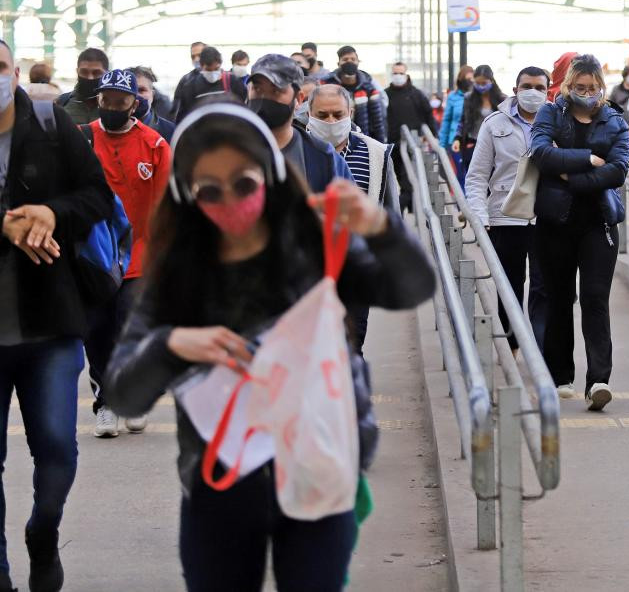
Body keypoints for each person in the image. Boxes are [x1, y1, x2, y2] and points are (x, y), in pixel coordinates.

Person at [103, 104, 435, 592]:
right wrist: (172, 344)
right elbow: (122, 394)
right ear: (187, 195)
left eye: (244, 182)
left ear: (271, 175)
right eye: (209, 190)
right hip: (220, 484)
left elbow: (410, 289)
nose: (229, 200)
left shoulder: (314, 245)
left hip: (318, 471)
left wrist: (382, 229)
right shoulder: (178, 275)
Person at [0, 39, 115, 592]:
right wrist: (4, 222)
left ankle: (42, 535)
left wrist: (50, 211)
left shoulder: (50, 125)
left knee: (56, 449)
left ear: (14, 72)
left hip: (51, 323)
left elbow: (96, 195)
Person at [531, 54, 629, 411]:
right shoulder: (550, 113)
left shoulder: (614, 119)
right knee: (559, 299)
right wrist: (589, 160)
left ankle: (598, 380)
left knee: (594, 298)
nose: (587, 93)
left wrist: (568, 172)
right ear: (568, 86)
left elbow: (618, 170)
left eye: (593, 87)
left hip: (598, 222)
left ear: (601, 87)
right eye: (579, 87)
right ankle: (561, 376)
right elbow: (540, 153)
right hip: (555, 222)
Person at [83, 68, 172, 438]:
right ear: (98, 101)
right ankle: (105, 404)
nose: (113, 107)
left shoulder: (154, 145)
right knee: (99, 331)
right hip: (95, 256)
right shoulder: (82, 140)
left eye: (121, 102)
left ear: (135, 103)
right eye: (107, 101)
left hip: (140, 255)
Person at [306, 83, 400, 355]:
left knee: (352, 340)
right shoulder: (295, 151)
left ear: (351, 112)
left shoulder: (377, 154)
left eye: (338, 114)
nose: (331, 122)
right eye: (322, 116)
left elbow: (388, 208)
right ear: (309, 114)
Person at [465, 67, 550, 351]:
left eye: (540, 87)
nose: (533, 92)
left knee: (544, 288)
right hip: (505, 216)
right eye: (527, 86)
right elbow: (477, 175)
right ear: (515, 90)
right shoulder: (494, 124)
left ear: (548, 90)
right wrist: (480, 215)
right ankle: (512, 347)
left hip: (547, 217)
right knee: (509, 287)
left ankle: (542, 351)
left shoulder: (559, 122)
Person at [246, 54, 352, 193]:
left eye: (276, 91)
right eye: (258, 89)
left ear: (299, 98)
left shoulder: (323, 156)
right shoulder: (231, 150)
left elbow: (346, 210)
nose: (265, 98)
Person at [385, 60, 437, 212]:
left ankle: (398, 209)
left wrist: (431, 135)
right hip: (393, 144)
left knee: (409, 180)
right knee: (401, 179)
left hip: (414, 144)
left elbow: (429, 115)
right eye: (395, 73)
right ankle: (412, 207)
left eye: (401, 73)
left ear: (406, 74)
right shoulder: (385, 95)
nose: (398, 76)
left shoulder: (417, 94)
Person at [320, 46, 387, 143]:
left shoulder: (369, 87)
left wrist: (380, 144)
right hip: (333, 139)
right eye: (345, 59)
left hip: (364, 138)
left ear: (358, 62)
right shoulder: (327, 84)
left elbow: (378, 120)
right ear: (339, 63)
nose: (349, 62)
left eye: (353, 59)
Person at [172, 45, 247, 123]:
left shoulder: (233, 82)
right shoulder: (190, 87)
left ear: (220, 64)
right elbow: (183, 118)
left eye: (216, 69)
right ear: (201, 66)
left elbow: (243, 108)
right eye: (208, 69)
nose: (213, 73)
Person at [453, 65, 505, 171]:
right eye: (477, 83)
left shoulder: (502, 99)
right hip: (473, 144)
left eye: (484, 83)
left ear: (491, 81)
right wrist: (457, 139)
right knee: (473, 178)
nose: (481, 86)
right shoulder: (468, 98)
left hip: (495, 146)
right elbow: (463, 120)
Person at [439, 65, 474, 185]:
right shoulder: (453, 97)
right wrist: (442, 145)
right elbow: (446, 120)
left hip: (472, 139)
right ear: (460, 79)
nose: (469, 82)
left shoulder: (477, 96)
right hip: (455, 141)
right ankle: (462, 202)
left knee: (473, 173)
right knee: (461, 173)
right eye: (466, 79)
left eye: (472, 79)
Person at [56, 48, 108, 125]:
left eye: (96, 73)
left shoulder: (113, 106)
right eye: (84, 72)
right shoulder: (62, 102)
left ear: (107, 74)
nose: (90, 77)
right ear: (77, 71)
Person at [133, 66, 177, 142]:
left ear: (152, 94)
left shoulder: (171, 132)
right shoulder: (110, 129)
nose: (137, 95)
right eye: (132, 90)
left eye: (141, 90)